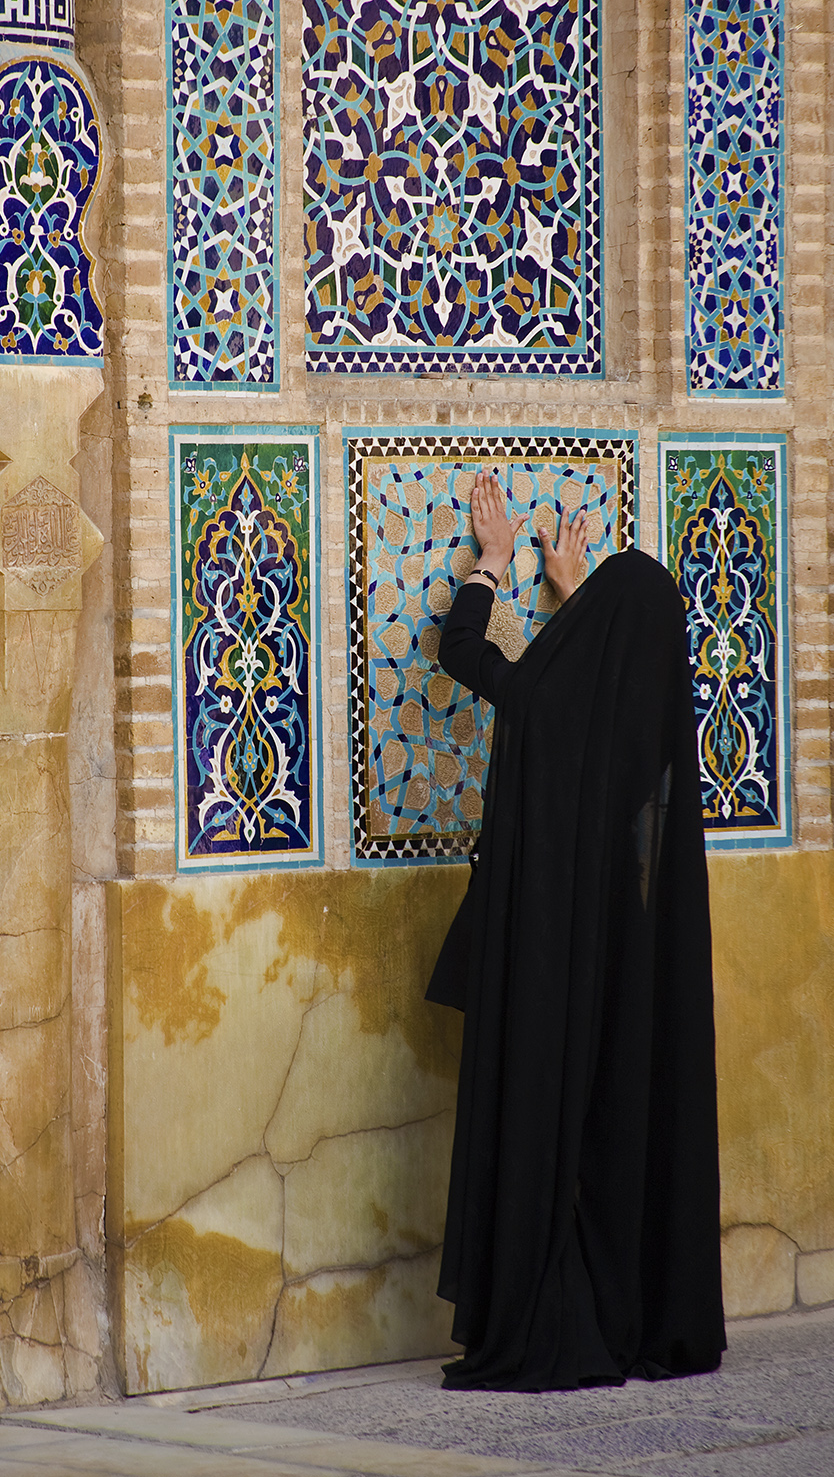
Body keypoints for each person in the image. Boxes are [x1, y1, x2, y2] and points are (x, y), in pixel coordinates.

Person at [427, 470, 726, 1392]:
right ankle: (631, 1308)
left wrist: (494, 564)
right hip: (632, 984)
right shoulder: (652, 730)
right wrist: (571, 593)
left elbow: (468, 654)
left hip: (557, 982)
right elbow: (580, 684)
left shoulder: (556, 707)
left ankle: (553, 1306)